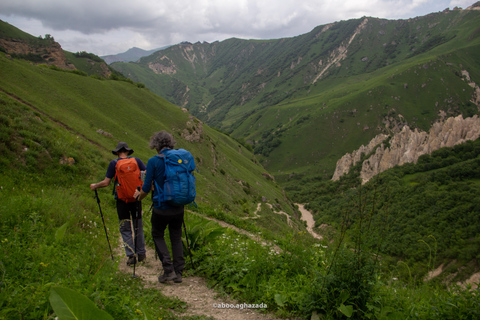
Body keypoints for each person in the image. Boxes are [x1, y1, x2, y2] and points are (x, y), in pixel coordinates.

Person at [133, 131, 185, 283]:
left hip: (161, 208)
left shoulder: (153, 161)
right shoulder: (179, 158)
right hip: (178, 206)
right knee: (176, 236)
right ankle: (179, 272)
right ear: (170, 143)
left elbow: (146, 187)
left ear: (156, 145)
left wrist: (138, 196)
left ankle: (168, 270)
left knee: (157, 234)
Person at [90, 142, 147, 266]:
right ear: (127, 151)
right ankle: (141, 254)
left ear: (117, 152)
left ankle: (131, 256)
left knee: (125, 227)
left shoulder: (114, 164)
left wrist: (95, 186)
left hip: (122, 200)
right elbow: (147, 173)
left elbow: (106, 183)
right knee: (138, 225)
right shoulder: (136, 161)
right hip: (136, 197)